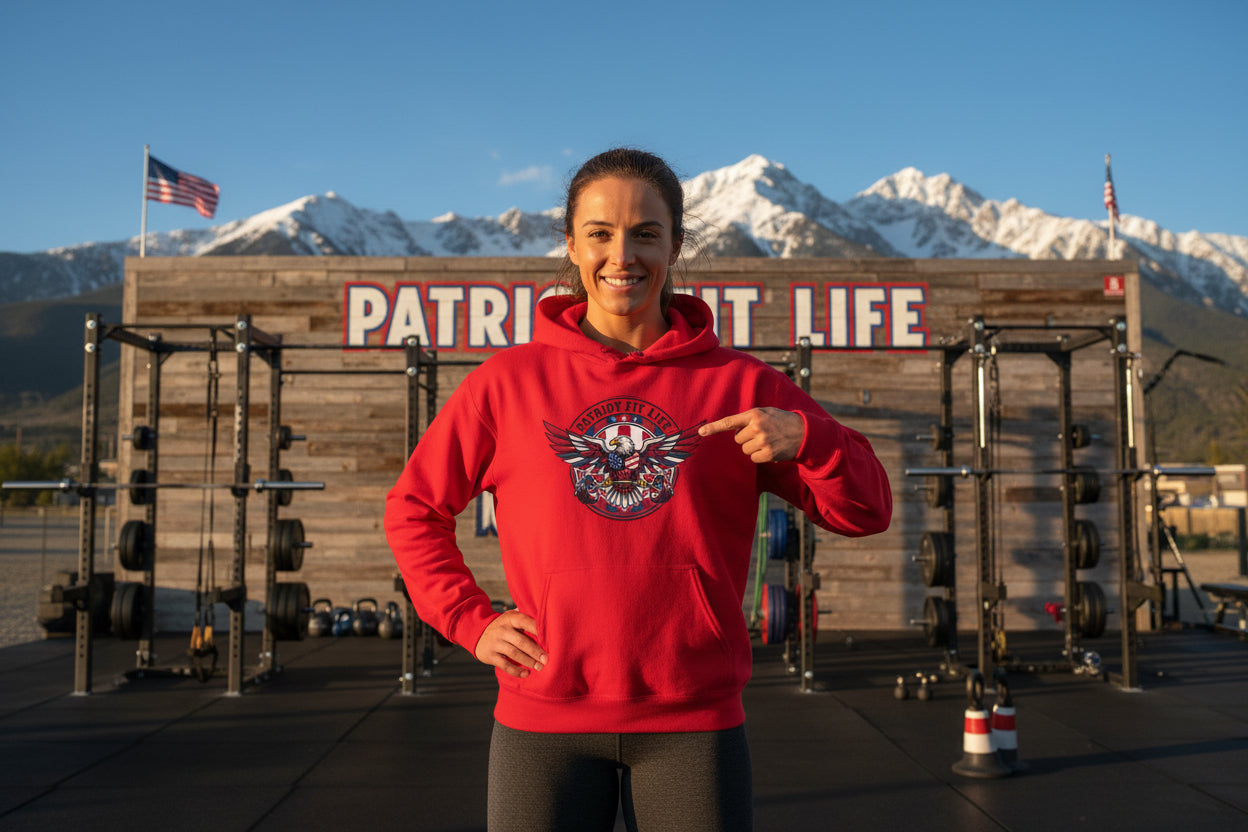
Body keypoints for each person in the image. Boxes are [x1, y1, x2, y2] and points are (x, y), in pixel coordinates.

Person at [384, 148, 892, 831]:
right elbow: (414, 509)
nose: (621, 256)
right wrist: (470, 622)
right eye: (600, 233)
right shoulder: (506, 384)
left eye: (645, 234)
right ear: (571, 244)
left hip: (693, 722)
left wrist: (811, 437)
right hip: (543, 721)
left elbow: (867, 511)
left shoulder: (742, 385)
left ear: (674, 246)